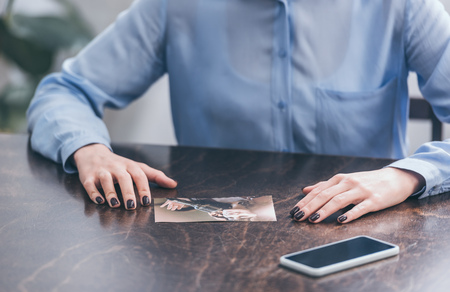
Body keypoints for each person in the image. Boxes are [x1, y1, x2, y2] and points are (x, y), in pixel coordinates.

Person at [27, 0, 450, 224]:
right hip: (212, 244)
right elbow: (64, 91)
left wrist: (406, 175)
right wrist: (89, 148)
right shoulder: (172, 6)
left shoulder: (405, 4)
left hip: (365, 239)